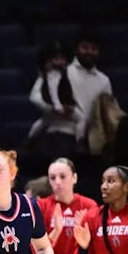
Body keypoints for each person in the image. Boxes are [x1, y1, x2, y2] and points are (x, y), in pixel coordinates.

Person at [28, 41, 81, 169]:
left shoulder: (72, 75)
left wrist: (69, 108)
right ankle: (29, 142)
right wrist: (53, 109)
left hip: (70, 124)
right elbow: (34, 97)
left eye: (62, 58)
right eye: (56, 58)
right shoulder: (45, 76)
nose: (59, 62)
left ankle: (81, 143)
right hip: (51, 121)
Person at [67, 31, 114, 146]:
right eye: (85, 47)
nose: (89, 51)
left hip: (93, 139)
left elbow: (107, 112)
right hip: (66, 134)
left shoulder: (104, 80)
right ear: (76, 49)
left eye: (93, 48)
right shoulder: (64, 73)